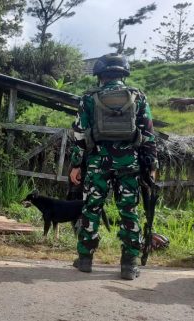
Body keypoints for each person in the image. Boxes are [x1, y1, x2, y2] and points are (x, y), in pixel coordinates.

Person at [69, 53, 157, 280]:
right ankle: (129, 264)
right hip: (129, 163)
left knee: (92, 208)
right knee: (129, 210)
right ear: (123, 74)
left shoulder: (89, 98)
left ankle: (85, 259)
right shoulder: (137, 96)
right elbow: (148, 134)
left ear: (100, 75)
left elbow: (79, 134)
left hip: (98, 163)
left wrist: (76, 165)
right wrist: (152, 164)